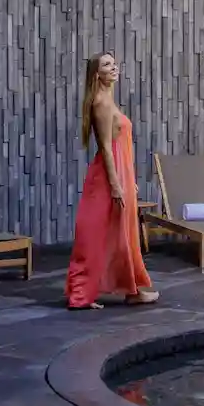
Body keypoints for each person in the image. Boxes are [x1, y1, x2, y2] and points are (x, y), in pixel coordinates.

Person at [65, 52, 159, 310]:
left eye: (114, 62)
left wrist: (129, 179)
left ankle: (132, 289)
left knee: (123, 234)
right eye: (107, 64)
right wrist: (117, 185)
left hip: (118, 175)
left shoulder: (108, 100)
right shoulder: (101, 103)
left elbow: (119, 146)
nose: (114, 67)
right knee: (97, 232)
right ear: (97, 74)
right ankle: (82, 295)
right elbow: (106, 148)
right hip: (109, 178)